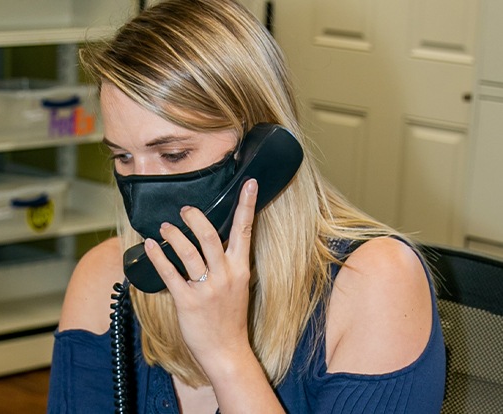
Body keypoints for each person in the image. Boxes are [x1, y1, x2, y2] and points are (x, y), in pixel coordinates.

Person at [47, 0, 446, 412]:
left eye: (175, 154)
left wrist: (226, 354)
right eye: (123, 158)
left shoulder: (376, 283)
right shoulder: (104, 280)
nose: (144, 190)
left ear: (262, 149)